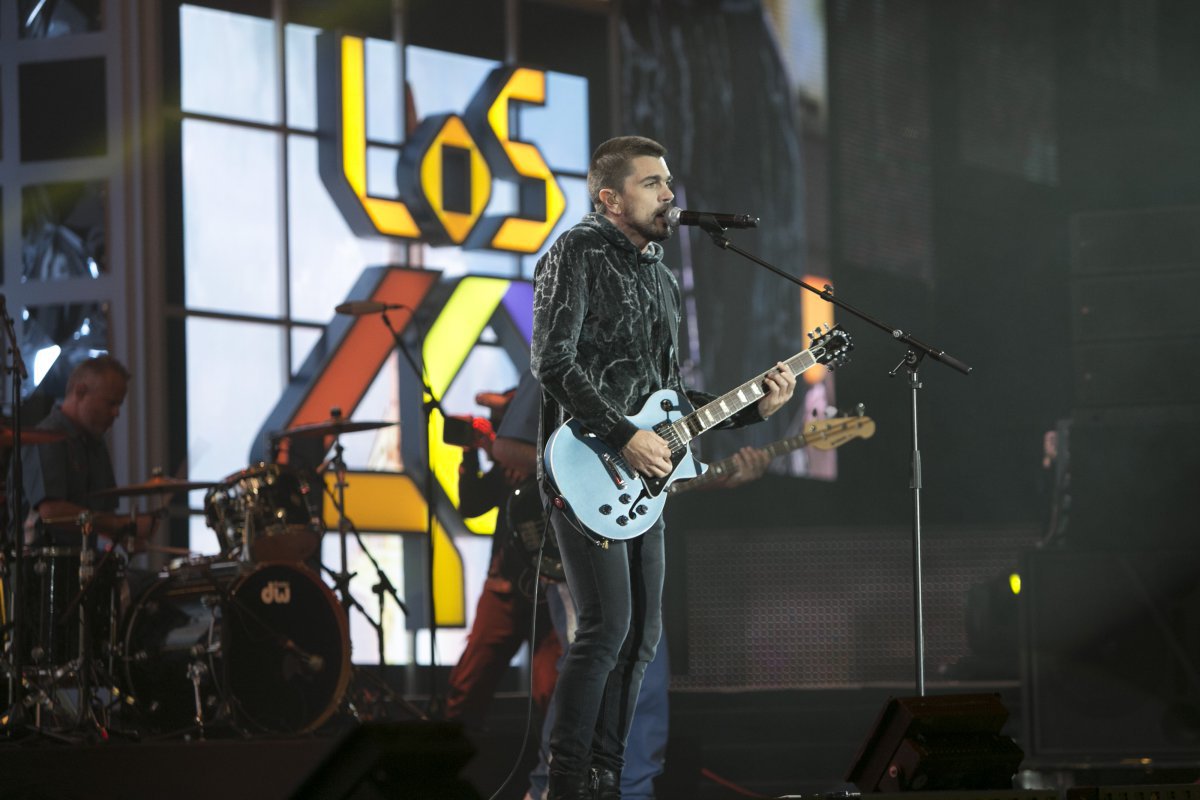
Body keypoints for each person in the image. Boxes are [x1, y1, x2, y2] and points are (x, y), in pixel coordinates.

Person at [530, 135, 797, 799]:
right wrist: (621, 436)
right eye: (652, 182)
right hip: (589, 463)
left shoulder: (660, 276)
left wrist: (755, 408)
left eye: (668, 181)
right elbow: (553, 361)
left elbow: (674, 404)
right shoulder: (578, 250)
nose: (669, 194)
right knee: (603, 629)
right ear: (610, 197)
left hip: (643, 480)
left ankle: (606, 778)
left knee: (641, 640)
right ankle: (566, 784)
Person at [524, 446, 771, 800]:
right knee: (594, 668)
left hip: (630, 537)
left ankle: (629, 790)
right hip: (580, 540)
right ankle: (551, 790)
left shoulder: (655, 393)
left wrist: (722, 475)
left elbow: (659, 472)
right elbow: (516, 449)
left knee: (642, 676)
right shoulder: (559, 390)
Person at [443, 372, 563, 730]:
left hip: (552, 588)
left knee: (553, 690)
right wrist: (471, 455)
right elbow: (472, 505)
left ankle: (555, 774)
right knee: (467, 687)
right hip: (506, 586)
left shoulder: (551, 457)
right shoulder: (504, 466)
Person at [18, 355, 154, 549]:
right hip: (39, 568)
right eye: (110, 403)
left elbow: (102, 517)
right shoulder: (46, 438)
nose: (116, 413)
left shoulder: (96, 443)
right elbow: (51, 512)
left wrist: (124, 535)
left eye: (119, 405)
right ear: (80, 392)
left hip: (83, 563)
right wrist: (120, 525)